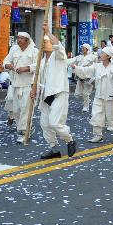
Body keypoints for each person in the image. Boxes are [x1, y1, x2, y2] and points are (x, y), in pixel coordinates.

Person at [33, 25, 77, 159]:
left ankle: (70, 140)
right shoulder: (41, 61)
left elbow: (58, 44)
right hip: (46, 96)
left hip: (59, 93)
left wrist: (48, 32)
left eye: (46, 41)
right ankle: (54, 149)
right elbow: (35, 75)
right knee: (45, 124)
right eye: (44, 41)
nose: (44, 43)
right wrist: (33, 89)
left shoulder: (58, 56)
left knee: (55, 123)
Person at [73, 45, 113, 142]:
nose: (100, 54)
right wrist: (76, 67)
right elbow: (86, 71)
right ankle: (98, 135)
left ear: (108, 56)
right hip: (99, 96)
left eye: (102, 53)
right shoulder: (97, 66)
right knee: (96, 115)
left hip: (111, 96)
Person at [2, 32, 39, 143]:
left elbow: (39, 65)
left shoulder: (34, 51)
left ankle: (24, 132)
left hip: (28, 84)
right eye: (18, 38)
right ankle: (25, 128)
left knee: (25, 110)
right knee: (16, 110)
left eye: (21, 38)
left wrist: (26, 68)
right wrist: (9, 65)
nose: (18, 40)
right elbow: (6, 61)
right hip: (15, 84)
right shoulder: (14, 49)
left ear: (27, 40)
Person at [71, 43, 95, 113]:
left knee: (85, 93)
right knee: (79, 93)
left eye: (83, 48)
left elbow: (96, 67)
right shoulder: (79, 57)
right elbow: (73, 61)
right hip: (80, 77)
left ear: (87, 49)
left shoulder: (93, 57)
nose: (82, 49)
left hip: (88, 78)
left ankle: (86, 107)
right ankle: (87, 100)